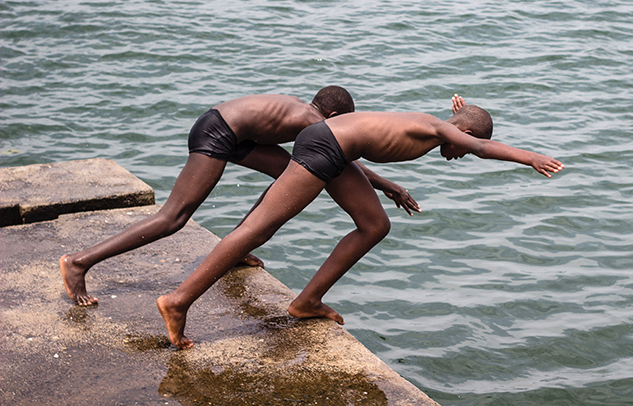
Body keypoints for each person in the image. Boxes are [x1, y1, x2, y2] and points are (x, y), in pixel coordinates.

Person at [157, 97, 564, 349]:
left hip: (332, 144)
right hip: (323, 146)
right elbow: (480, 143)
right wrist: (530, 158)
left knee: (374, 225)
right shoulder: (447, 131)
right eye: (465, 150)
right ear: (466, 133)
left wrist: (459, 113)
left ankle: (306, 302)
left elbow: (466, 130)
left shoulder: (441, 126)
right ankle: (178, 300)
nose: (463, 156)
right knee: (259, 228)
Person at [60, 86, 419, 306]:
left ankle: (239, 246)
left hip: (233, 133)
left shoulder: (302, 111)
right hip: (217, 133)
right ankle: (79, 263)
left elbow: (325, 163)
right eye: (342, 124)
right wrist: (387, 184)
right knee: (174, 217)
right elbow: (341, 156)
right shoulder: (312, 120)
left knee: (289, 177)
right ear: (336, 115)